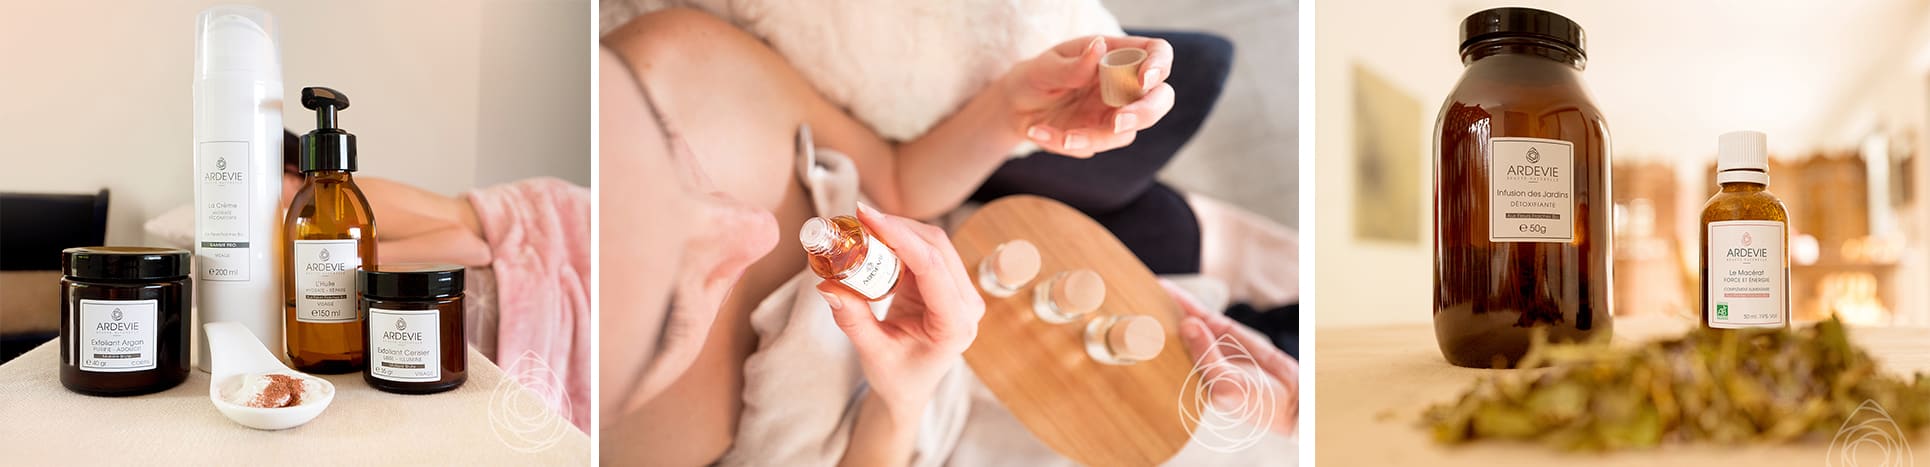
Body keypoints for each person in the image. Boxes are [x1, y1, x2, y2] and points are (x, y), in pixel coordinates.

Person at [600, 7, 1296, 465]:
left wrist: (1010, 109)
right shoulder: (624, 445)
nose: (755, 227)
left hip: (981, 244)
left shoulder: (674, 65)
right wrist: (903, 393)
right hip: (944, 415)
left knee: (1186, 94)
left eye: (674, 170)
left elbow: (896, 184)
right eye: (671, 310)